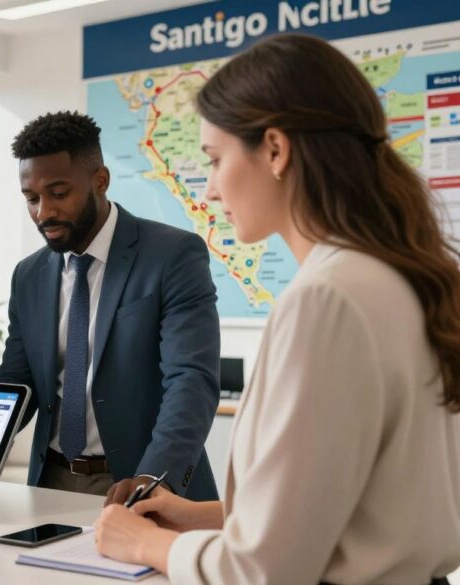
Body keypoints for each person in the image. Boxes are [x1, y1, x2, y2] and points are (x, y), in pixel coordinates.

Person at [93, 34, 460, 585]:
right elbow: (368, 507)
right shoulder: (411, 277)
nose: (211, 190)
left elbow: (265, 571)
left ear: (274, 150)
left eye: (216, 161)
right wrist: (204, 518)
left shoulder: (327, 299)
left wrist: (147, 543)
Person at [0, 111, 221, 501]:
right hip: (50, 484)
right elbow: (22, 381)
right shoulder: (28, 275)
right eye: (31, 198)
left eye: (58, 194)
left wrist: (152, 481)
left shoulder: (172, 255)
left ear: (100, 180)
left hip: (139, 481)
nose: (43, 213)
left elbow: (190, 381)